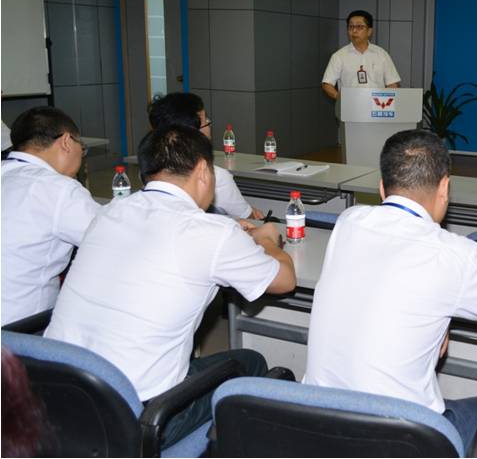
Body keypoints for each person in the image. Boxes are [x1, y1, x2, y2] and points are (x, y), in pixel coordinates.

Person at [44, 124, 297, 447]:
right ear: (203, 171)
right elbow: (284, 280)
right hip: (138, 420)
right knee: (251, 362)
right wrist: (268, 239)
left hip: (57, 397)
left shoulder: (110, 212)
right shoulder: (212, 233)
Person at [304, 129, 477, 448]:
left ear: (382, 187)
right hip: (402, 440)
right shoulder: (455, 254)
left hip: (316, 429)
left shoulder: (348, 222)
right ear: (445, 187)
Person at [1, 106, 101, 326]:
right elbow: (113, 240)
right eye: (82, 148)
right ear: (66, 141)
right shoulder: (58, 189)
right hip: (20, 331)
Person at [147, 92, 264, 220]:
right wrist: (252, 214)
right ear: (194, 131)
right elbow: (248, 217)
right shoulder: (214, 176)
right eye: (206, 121)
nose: (209, 123)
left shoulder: (149, 169)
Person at [320, 9, 401, 101]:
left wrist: (383, 100)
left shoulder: (381, 54)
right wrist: (340, 98)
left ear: (369, 31)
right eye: (351, 27)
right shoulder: (339, 56)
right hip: (350, 106)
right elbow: (327, 84)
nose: (354, 30)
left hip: (377, 106)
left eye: (359, 27)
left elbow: (393, 83)